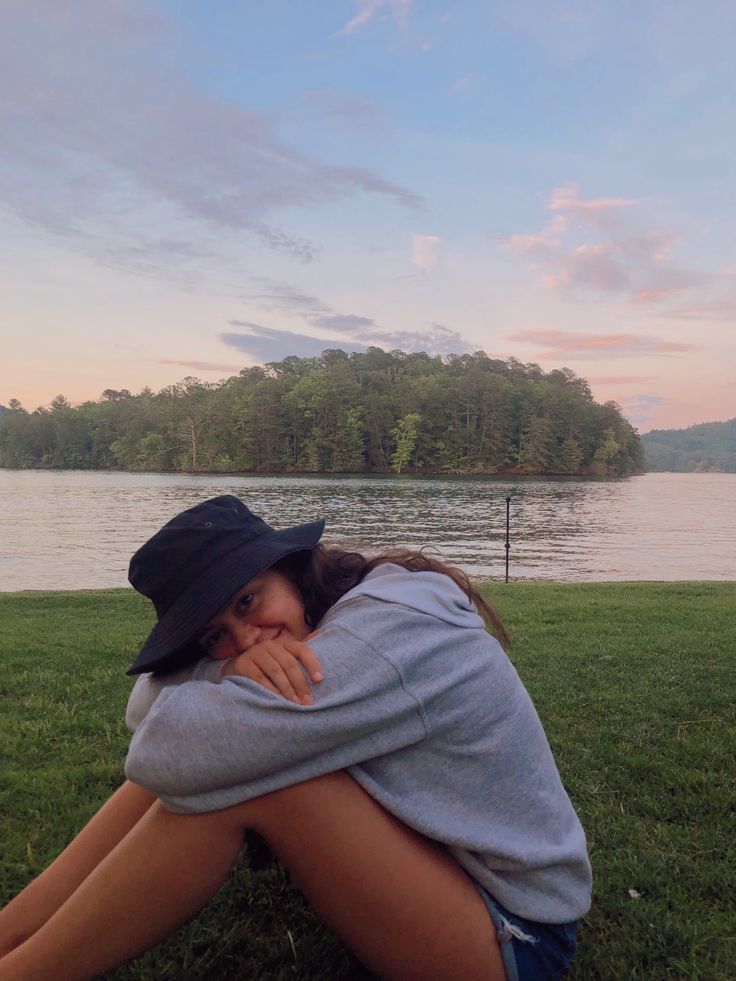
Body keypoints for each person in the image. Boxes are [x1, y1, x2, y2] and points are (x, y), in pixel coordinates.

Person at [0, 495, 591, 981]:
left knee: (243, 777)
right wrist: (225, 672)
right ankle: (11, 932)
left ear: (289, 567)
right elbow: (148, 712)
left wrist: (218, 676)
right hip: (454, 881)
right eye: (214, 636)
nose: (247, 638)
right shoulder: (344, 598)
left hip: (517, 940)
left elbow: (160, 752)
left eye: (248, 602)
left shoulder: (378, 642)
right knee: (225, 757)